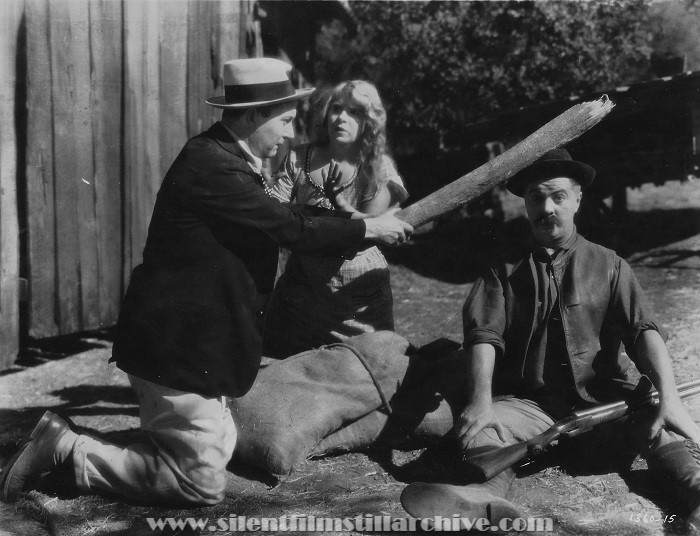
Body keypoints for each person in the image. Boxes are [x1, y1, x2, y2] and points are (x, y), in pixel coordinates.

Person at [0, 58, 412, 506]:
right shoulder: (213, 164)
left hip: (196, 346)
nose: (292, 135)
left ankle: (152, 448)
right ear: (254, 115)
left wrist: (356, 221)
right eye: (287, 121)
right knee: (201, 484)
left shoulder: (230, 157)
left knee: (223, 444)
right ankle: (65, 448)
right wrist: (368, 229)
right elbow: (290, 226)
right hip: (177, 350)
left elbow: (291, 217)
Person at [400, 148, 700, 531]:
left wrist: (669, 397)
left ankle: (696, 497)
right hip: (531, 405)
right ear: (525, 203)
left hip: (606, 401)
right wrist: (480, 403)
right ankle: (484, 498)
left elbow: (644, 332)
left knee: (663, 423)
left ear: (577, 198)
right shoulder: (501, 269)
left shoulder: (610, 264)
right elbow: (483, 336)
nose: (547, 207)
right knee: (484, 427)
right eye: (536, 197)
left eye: (558, 196)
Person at [263, 80, 408, 358]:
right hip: (300, 290)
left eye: (355, 112)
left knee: (369, 370)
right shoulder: (299, 158)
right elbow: (274, 212)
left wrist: (338, 203)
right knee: (279, 366)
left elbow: (371, 227)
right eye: (337, 108)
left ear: (370, 121)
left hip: (357, 297)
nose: (342, 117)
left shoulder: (378, 168)